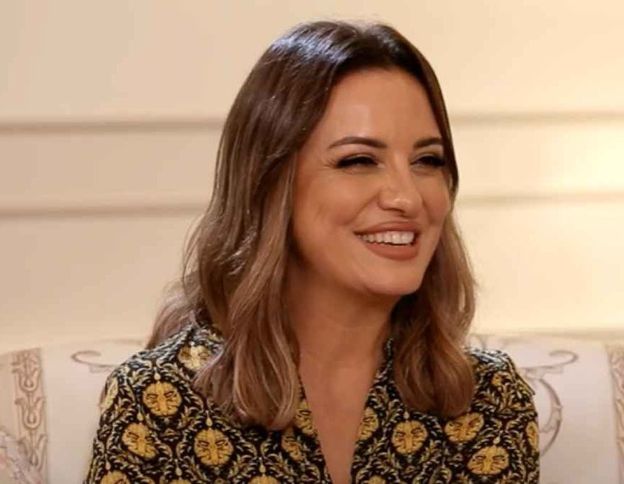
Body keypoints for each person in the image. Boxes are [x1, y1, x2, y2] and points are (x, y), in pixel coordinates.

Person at [85, 20, 539, 483]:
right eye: (358, 161)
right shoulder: (159, 400)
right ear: (270, 185)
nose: (407, 197)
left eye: (427, 161)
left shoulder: (490, 400)